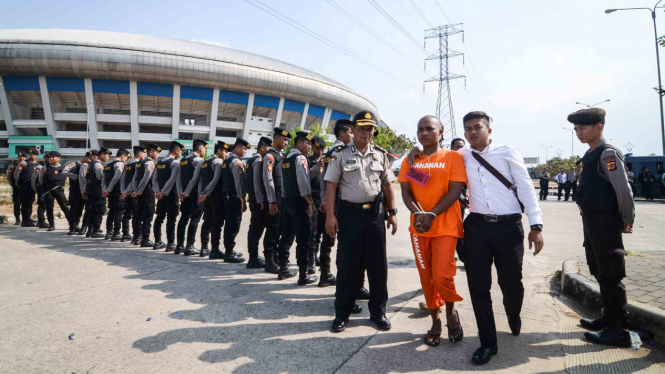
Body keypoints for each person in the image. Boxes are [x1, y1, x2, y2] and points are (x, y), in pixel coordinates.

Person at [412, 111, 543, 365]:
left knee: (511, 283)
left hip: (509, 228)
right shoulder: (459, 156)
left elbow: (526, 188)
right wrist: (413, 156)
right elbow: (428, 176)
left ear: (489, 130)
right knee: (478, 287)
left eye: (478, 127)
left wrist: (536, 225)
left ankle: (513, 314)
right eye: (468, 128)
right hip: (477, 228)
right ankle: (488, 343)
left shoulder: (508, 152)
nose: (473, 132)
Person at [325, 110, 398, 333]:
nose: (367, 132)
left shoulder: (380, 155)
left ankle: (378, 312)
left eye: (370, 129)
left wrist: (392, 212)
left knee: (378, 266)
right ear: (353, 130)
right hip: (349, 215)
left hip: (375, 215)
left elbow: (387, 185)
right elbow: (331, 186)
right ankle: (342, 314)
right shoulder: (340, 154)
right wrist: (330, 215)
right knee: (348, 265)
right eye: (362, 128)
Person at [568, 108, 635, 347]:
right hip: (592, 221)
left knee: (611, 273)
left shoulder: (607, 154)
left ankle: (619, 330)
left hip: (605, 221)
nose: (579, 132)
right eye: (576, 129)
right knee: (599, 269)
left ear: (599, 127)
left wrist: (627, 218)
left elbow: (623, 189)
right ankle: (608, 319)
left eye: (583, 128)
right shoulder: (591, 153)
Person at [400, 116, 466, 346]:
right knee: (427, 277)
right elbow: (408, 192)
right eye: (420, 129)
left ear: (441, 132)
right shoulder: (411, 160)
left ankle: (450, 313)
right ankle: (436, 320)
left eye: (430, 129)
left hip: (445, 226)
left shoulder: (452, 157)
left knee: (442, 275)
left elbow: (454, 191)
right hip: (419, 228)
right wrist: (419, 214)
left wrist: (432, 214)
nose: (424, 133)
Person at [275, 131, 318, 284]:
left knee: (286, 237)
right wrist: (310, 202)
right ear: (299, 143)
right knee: (304, 239)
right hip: (300, 204)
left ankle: (283, 269)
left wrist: (317, 168)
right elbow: (303, 183)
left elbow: (293, 180)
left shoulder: (286, 159)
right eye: (308, 144)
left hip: (288, 202)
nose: (310, 147)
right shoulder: (301, 158)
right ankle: (303, 275)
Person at [199, 141, 239, 260]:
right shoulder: (218, 161)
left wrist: (202, 193)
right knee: (217, 224)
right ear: (220, 151)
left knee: (207, 222)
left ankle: (204, 248)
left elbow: (201, 180)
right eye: (225, 151)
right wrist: (206, 193)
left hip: (207, 198)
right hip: (215, 196)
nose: (226, 154)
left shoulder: (206, 162)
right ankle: (215, 249)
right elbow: (216, 179)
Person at [262, 128, 291, 274]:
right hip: (275, 199)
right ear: (276, 139)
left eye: (287, 140)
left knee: (279, 229)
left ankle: (275, 257)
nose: (286, 142)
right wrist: (272, 201)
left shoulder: (280, 156)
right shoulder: (270, 156)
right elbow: (268, 179)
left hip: (282, 198)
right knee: (272, 229)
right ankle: (269, 261)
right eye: (284, 139)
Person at [176, 140, 208, 256]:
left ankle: (179, 246)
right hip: (193, 195)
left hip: (185, 194)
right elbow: (195, 179)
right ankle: (190, 246)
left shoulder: (183, 160)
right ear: (200, 149)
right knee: (194, 220)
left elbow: (178, 178)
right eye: (205, 149)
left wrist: (181, 192)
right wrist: (187, 193)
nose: (205, 151)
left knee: (183, 219)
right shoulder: (198, 160)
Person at [221, 138, 250, 263]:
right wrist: (242, 200)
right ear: (237, 148)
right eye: (244, 149)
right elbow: (238, 183)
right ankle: (229, 253)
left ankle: (229, 250)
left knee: (229, 224)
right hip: (234, 197)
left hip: (227, 196)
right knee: (233, 225)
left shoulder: (226, 160)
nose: (245, 152)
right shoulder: (236, 162)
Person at [245, 136, 273, 268]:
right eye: (269, 148)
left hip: (254, 198)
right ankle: (253, 259)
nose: (270, 152)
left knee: (255, 229)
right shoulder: (257, 160)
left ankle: (254, 257)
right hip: (257, 200)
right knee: (256, 230)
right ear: (262, 148)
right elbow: (257, 182)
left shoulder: (251, 160)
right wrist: (260, 200)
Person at [152, 141, 184, 251]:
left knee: (159, 218)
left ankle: (157, 242)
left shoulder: (160, 162)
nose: (181, 155)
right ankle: (170, 244)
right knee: (171, 220)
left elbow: (154, 179)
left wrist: (158, 192)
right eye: (180, 152)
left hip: (161, 196)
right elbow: (172, 180)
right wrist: (163, 192)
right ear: (176, 151)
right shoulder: (175, 163)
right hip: (171, 195)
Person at [132, 143, 159, 247]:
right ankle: (145, 239)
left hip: (139, 193)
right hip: (147, 192)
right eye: (156, 153)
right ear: (151, 152)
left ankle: (137, 238)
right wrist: (139, 191)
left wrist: (135, 190)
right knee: (148, 216)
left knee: (139, 215)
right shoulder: (149, 163)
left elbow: (134, 178)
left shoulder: (140, 162)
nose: (157, 155)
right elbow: (146, 179)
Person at [307, 136, 327, 275]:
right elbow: (304, 178)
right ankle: (310, 261)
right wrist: (317, 166)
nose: (320, 151)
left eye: (322, 148)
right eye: (317, 148)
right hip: (312, 198)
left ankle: (316, 255)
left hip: (323, 198)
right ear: (312, 147)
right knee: (312, 232)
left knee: (320, 230)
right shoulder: (307, 160)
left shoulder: (326, 162)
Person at [38, 151, 70, 231]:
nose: (51, 159)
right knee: (49, 208)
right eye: (50, 157)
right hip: (48, 190)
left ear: (58, 158)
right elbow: (40, 179)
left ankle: (72, 224)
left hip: (59, 189)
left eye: (53, 157)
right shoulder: (45, 168)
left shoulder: (63, 168)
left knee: (65, 207)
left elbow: (66, 179)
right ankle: (51, 225)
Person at [103, 149, 129, 240]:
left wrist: (105, 190)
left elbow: (104, 179)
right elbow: (116, 178)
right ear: (122, 156)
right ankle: (116, 232)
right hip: (117, 191)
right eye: (126, 158)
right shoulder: (120, 164)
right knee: (119, 211)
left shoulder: (107, 165)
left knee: (111, 211)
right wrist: (109, 189)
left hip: (110, 192)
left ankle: (109, 231)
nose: (126, 160)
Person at [120, 147, 143, 242]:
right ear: (140, 154)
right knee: (136, 214)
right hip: (134, 192)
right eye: (143, 154)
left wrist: (124, 191)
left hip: (127, 192)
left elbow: (123, 179)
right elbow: (134, 180)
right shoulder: (137, 164)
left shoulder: (128, 164)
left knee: (127, 213)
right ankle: (137, 236)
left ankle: (126, 233)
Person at [85, 148, 110, 238]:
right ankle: (95, 230)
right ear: (102, 155)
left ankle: (90, 230)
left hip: (93, 190)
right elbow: (100, 177)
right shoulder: (98, 164)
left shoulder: (93, 163)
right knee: (100, 210)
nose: (108, 157)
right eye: (107, 155)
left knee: (93, 210)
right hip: (98, 190)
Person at [62, 153, 88, 235]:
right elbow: (64, 171)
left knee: (81, 209)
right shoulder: (75, 164)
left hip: (84, 190)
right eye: (88, 158)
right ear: (84, 157)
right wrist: (74, 176)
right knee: (74, 208)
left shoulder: (89, 165)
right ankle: (72, 227)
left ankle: (77, 224)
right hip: (75, 190)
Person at [15, 149, 39, 227]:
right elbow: (16, 173)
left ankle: (29, 219)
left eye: (33, 154)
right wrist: (18, 183)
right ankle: (25, 221)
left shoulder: (37, 164)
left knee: (30, 203)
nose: (31, 155)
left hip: (32, 186)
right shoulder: (24, 163)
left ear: (36, 156)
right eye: (30, 154)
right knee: (25, 204)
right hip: (25, 186)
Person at [78, 150, 98, 237]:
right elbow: (82, 179)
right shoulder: (86, 165)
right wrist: (83, 191)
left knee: (94, 209)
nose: (94, 157)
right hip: (89, 190)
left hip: (94, 190)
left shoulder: (95, 164)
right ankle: (84, 227)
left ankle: (91, 228)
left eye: (95, 156)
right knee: (89, 209)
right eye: (92, 156)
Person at [33, 152, 50, 228]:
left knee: (48, 206)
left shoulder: (52, 166)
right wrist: (35, 188)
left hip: (50, 189)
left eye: (51, 157)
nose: (50, 159)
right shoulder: (40, 167)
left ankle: (42, 221)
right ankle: (41, 222)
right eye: (47, 157)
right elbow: (34, 178)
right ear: (44, 158)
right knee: (42, 205)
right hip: (42, 189)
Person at [8, 153, 25, 225]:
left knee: (27, 203)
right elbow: (8, 177)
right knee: (17, 203)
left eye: (22, 157)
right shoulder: (13, 166)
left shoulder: (28, 165)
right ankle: (18, 219)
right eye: (19, 157)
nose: (21, 158)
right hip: (17, 188)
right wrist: (13, 185)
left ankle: (27, 218)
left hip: (26, 187)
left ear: (25, 158)